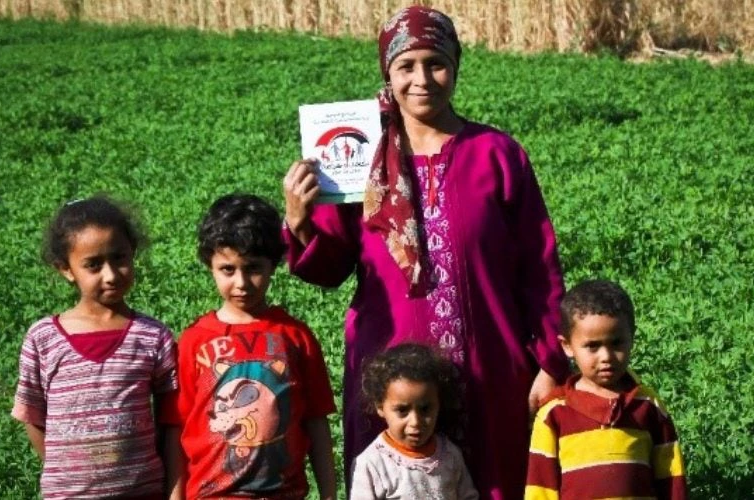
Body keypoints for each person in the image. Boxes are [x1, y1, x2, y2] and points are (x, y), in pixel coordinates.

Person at [281, 6, 569, 498]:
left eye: (435, 63)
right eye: (405, 66)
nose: (422, 80)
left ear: (456, 65)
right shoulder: (359, 154)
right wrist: (299, 220)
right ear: (386, 72)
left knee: (494, 480)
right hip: (392, 379)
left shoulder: (497, 154)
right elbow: (331, 266)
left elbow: (538, 268)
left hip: (491, 370)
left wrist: (549, 363)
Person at [11, 196, 180, 499]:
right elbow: (32, 415)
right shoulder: (43, 339)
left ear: (133, 253)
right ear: (65, 268)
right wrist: (62, 473)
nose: (111, 275)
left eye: (119, 258)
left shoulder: (153, 336)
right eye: (93, 265)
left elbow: (171, 420)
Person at [172, 193, 337, 499]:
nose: (241, 283)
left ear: (274, 264)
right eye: (227, 269)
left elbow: (316, 421)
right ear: (210, 264)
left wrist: (329, 494)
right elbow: (176, 427)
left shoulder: (295, 336)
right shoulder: (194, 340)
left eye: (253, 268)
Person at [525, 279, 687, 499]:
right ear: (567, 346)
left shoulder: (648, 406)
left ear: (632, 338)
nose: (606, 357)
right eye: (592, 346)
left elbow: (671, 479)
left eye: (617, 343)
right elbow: (540, 489)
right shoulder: (554, 415)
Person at [351, 343, 479, 499]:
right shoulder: (372, 465)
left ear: (439, 404)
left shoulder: (450, 455)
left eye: (425, 409)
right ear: (380, 406)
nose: (415, 422)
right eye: (402, 410)